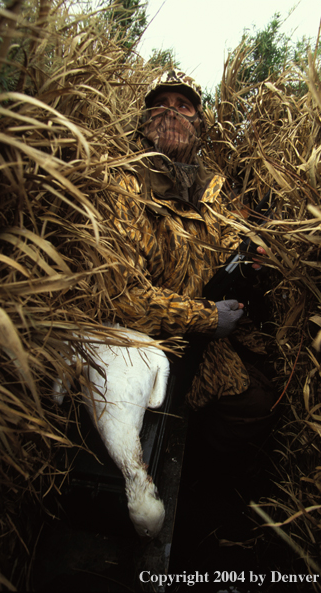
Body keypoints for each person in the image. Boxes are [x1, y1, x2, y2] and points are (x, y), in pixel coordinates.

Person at [106, 70, 276, 446]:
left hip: (206, 342)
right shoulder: (123, 184)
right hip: (145, 349)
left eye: (183, 106)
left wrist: (255, 255)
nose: (171, 113)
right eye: (160, 105)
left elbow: (231, 238)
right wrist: (206, 317)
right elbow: (125, 298)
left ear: (199, 124)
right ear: (144, 119)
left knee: (267, 394)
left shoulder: (210, 187)